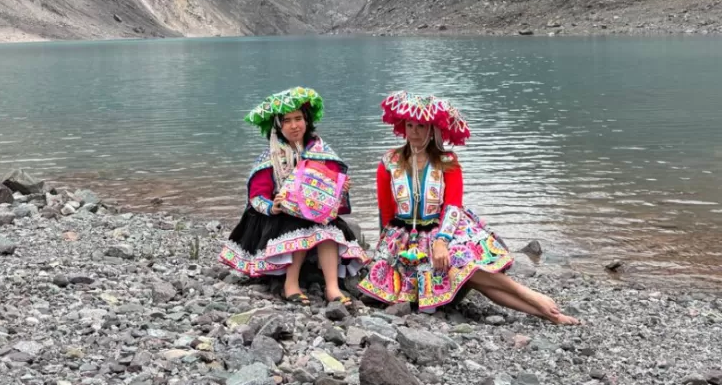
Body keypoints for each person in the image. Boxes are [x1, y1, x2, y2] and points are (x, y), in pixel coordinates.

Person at [358, 91, 578, 324]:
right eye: (409, 125)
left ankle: (537, 303)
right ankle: (540, 307)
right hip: (403, 239)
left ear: (433, 129)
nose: (413, 132)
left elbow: (453, 206)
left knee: (464, 264)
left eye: (421, 126)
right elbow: (386, 211)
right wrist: (385, 251)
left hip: (441, 230)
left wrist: (442, 241)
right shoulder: (389, 162)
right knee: (467, 274)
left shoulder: (447, 161)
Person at [219, 86, 368, 307]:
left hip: (315, 212)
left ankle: (332, 288)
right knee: (298, 225)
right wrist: (273, 206)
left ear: (307, 120)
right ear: (278, 126)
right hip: (279, 217)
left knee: (327, 229)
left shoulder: (321, 151)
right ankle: (291, 284)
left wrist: (341, 187)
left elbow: (333, 185)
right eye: (287, 121)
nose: (294, 125)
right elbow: (256, 197)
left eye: (298, 118)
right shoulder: (270, 157)